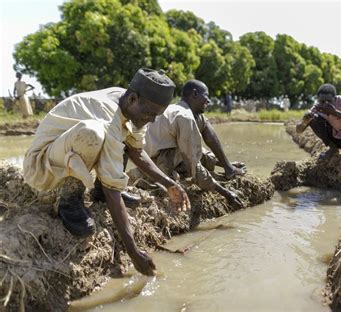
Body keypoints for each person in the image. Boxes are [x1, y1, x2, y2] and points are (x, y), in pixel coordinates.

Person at [23, 68, 190, 276]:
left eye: (157, 116)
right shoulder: (108, 114)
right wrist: (134, 252)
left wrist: (168, 183)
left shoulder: (132, 104)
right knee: (92, 134)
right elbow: (114, 190)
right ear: (132, 98)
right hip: (42, 167)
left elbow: (136, 151)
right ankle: (68, 199)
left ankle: (97, 190)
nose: (152, 120)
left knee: (124, 135)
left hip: (67, 156)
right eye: (150, 114)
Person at [144, 79, 246, 208]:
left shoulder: (181, 110)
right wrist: (227, 194)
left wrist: (225, 164)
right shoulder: (184, 117)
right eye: (206, 96)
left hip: (166, 156)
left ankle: (228, 167)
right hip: (158, 163)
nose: (209, 101)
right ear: (195, 94)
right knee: (194, 159)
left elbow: (204, 143)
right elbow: (194, 165)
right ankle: (225, 170)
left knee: (199, 133)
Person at [296, 83, 341, 159]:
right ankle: (333, 148)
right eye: (322, 101)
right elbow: (298, 130)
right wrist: (305, 121)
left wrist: (334, 112)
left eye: (329, 101)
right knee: (314, 119)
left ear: (335, 98)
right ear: (318, 100)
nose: (325, 104)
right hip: (336, 140)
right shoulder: (317, 108)